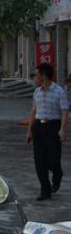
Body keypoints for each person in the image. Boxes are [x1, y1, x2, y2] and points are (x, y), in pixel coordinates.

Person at [26, 63, 69, 201]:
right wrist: (30, 130)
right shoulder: (37, 92)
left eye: (36, 75)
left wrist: (62, 129)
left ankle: (57, 174)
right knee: (39, 161)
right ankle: (45, 190)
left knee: (53, 159)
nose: (35, 78)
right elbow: (34, 111)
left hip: (53, 127)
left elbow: (64, 110)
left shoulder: (59, 91)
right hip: (39, 127)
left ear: (43, 77)